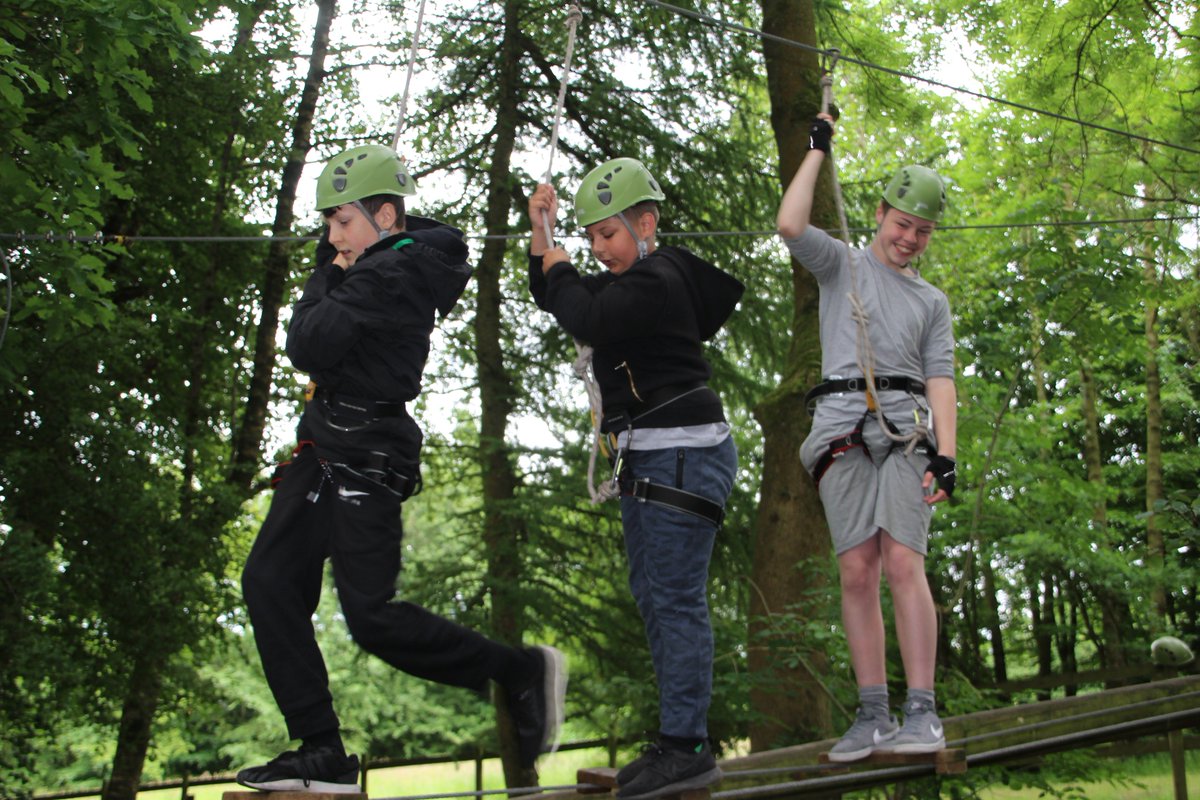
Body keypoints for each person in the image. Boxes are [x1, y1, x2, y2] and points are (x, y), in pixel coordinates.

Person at [237, 144, 566, 793]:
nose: (331, 239)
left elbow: (306, 340)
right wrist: (339, 265)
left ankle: (518, 668)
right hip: (324, 447)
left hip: (367, 454)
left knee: (372, 617)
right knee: (269, 579)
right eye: (328, 224)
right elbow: (317, 333)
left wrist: (328, 276)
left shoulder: (395, 272)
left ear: (385, 216)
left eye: (343, 223)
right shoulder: (377, 259)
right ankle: (320, 748)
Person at [527, 158, 743, 800]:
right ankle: (680, 738)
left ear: (645, 224)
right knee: (654, 596)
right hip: (651, 454)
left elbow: (586, 316)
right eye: (591, 237)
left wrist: (560, 261)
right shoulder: (633, 281)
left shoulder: (661, 277)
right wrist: (543, 236)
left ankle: (688, 746)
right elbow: (557, 294)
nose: (598, 249)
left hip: (681, 452)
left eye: (609, 235)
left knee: (674, 598)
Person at [776, 115, 958, 762]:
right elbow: (791, 224)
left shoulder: (931, 303)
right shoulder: (841, 266)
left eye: (923, 231)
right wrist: (816, 150)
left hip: (906, 430)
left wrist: (948, 454)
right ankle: (873, 712)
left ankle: (922, 710)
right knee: (857, 569)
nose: (910, 239)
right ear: (880, 214)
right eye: (902, 224)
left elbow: (940, 381)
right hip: (840, 426)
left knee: (903, 561)